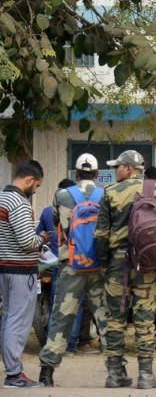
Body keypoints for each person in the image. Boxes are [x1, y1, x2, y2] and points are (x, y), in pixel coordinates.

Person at [93, 150, 156, 388]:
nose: (115, 171)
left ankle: (115, 373)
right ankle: (146, 375)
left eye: (117, 167)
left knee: (115, 318)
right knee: (146, 318)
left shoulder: (110, 193)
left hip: (118, 264)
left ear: (128, 168)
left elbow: (101, 234)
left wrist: (104, 263)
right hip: (148, 263)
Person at [39, 154, 110, 386]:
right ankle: (115, 371)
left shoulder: (61, 195)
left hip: (71, 265)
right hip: (99, 266)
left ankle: (47, 372)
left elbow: (56, 221)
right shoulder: (105, 194)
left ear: (75, 173)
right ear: (97, 174)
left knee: (61, 317)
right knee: (106, 318)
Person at [0, 160, 47, 388]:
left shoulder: (1, 198)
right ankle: (14, 374)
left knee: (9, 318)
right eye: (36, 186)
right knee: (18, 322)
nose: (35, 190)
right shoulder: (18, 202)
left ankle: (12, 370)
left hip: (5, 268)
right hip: (20, 271)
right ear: (29, 180)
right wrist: (43, 239)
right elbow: (28, 242)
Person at [36, 178, 85, 357]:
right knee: (76, 306)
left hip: (55, 264)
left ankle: (52, 345)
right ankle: (71, 347)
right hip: (78, 263)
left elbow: (38, 235)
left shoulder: (48, 212)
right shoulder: (80, 210)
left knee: (57, 305)